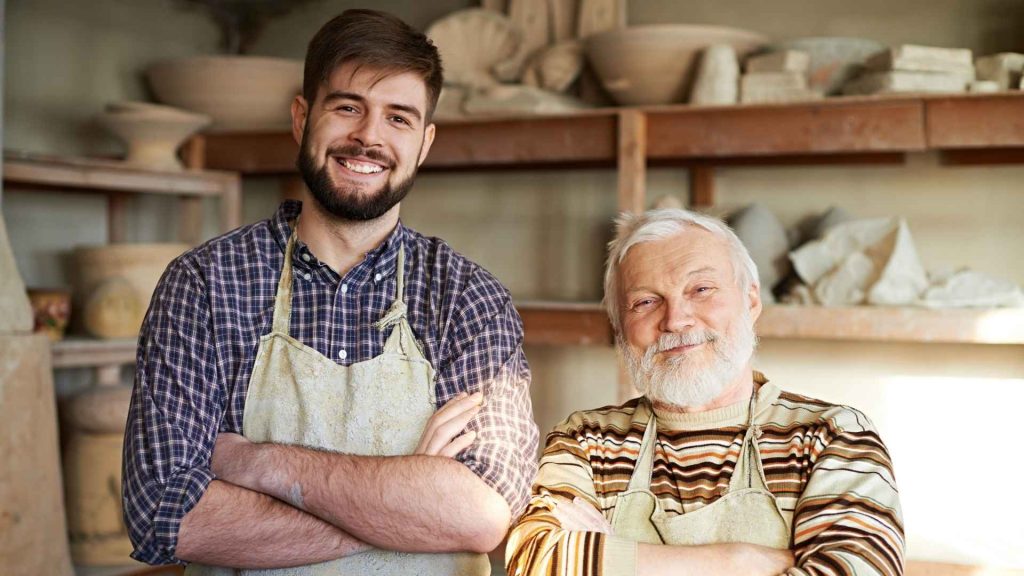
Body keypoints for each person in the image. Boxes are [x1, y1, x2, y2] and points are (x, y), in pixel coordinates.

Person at [122, 9, 538, 575]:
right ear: (302, 118)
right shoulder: (204, 284)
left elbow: (486, 514)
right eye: (347, 107)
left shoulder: (469, 298)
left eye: (399, 118)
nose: (369, 136)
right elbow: (166, 514)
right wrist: (406, 499)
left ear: (424, 143)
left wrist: (262, 464)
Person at [506, 208, 904, 576]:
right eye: (645, 301)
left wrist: (615, 557)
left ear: (751, 301)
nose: (676, 320)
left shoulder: (834, 437)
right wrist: (739, 561)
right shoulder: (587, 441)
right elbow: (535, 562)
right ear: (619, 325)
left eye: (701, 290)